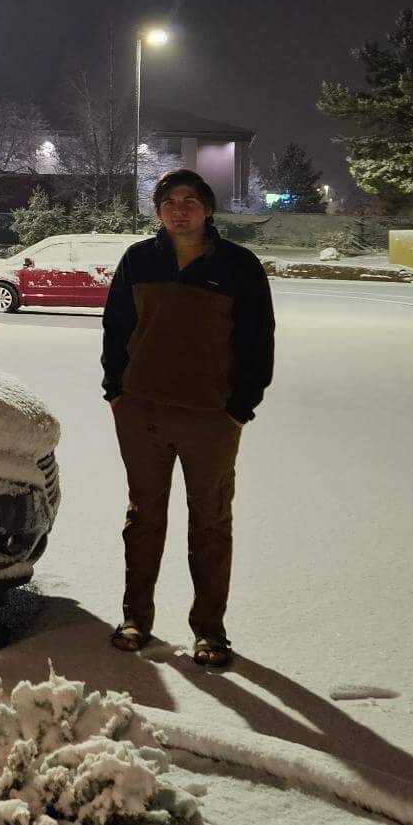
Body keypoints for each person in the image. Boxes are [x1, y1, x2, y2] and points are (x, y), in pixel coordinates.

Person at [100, 167, 274, 668]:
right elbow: (116, 329)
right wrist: (117, 392)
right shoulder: (139, 260)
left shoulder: (239, 266)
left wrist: (240, 408)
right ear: (158, 210)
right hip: (142, 415)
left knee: (211, 524)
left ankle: (210, 630)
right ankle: (136, 618)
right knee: (144, 519)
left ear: (208, 208)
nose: (180, 209)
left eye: (190, 200)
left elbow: (258, 340)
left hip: (211, 420)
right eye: (169, 201)